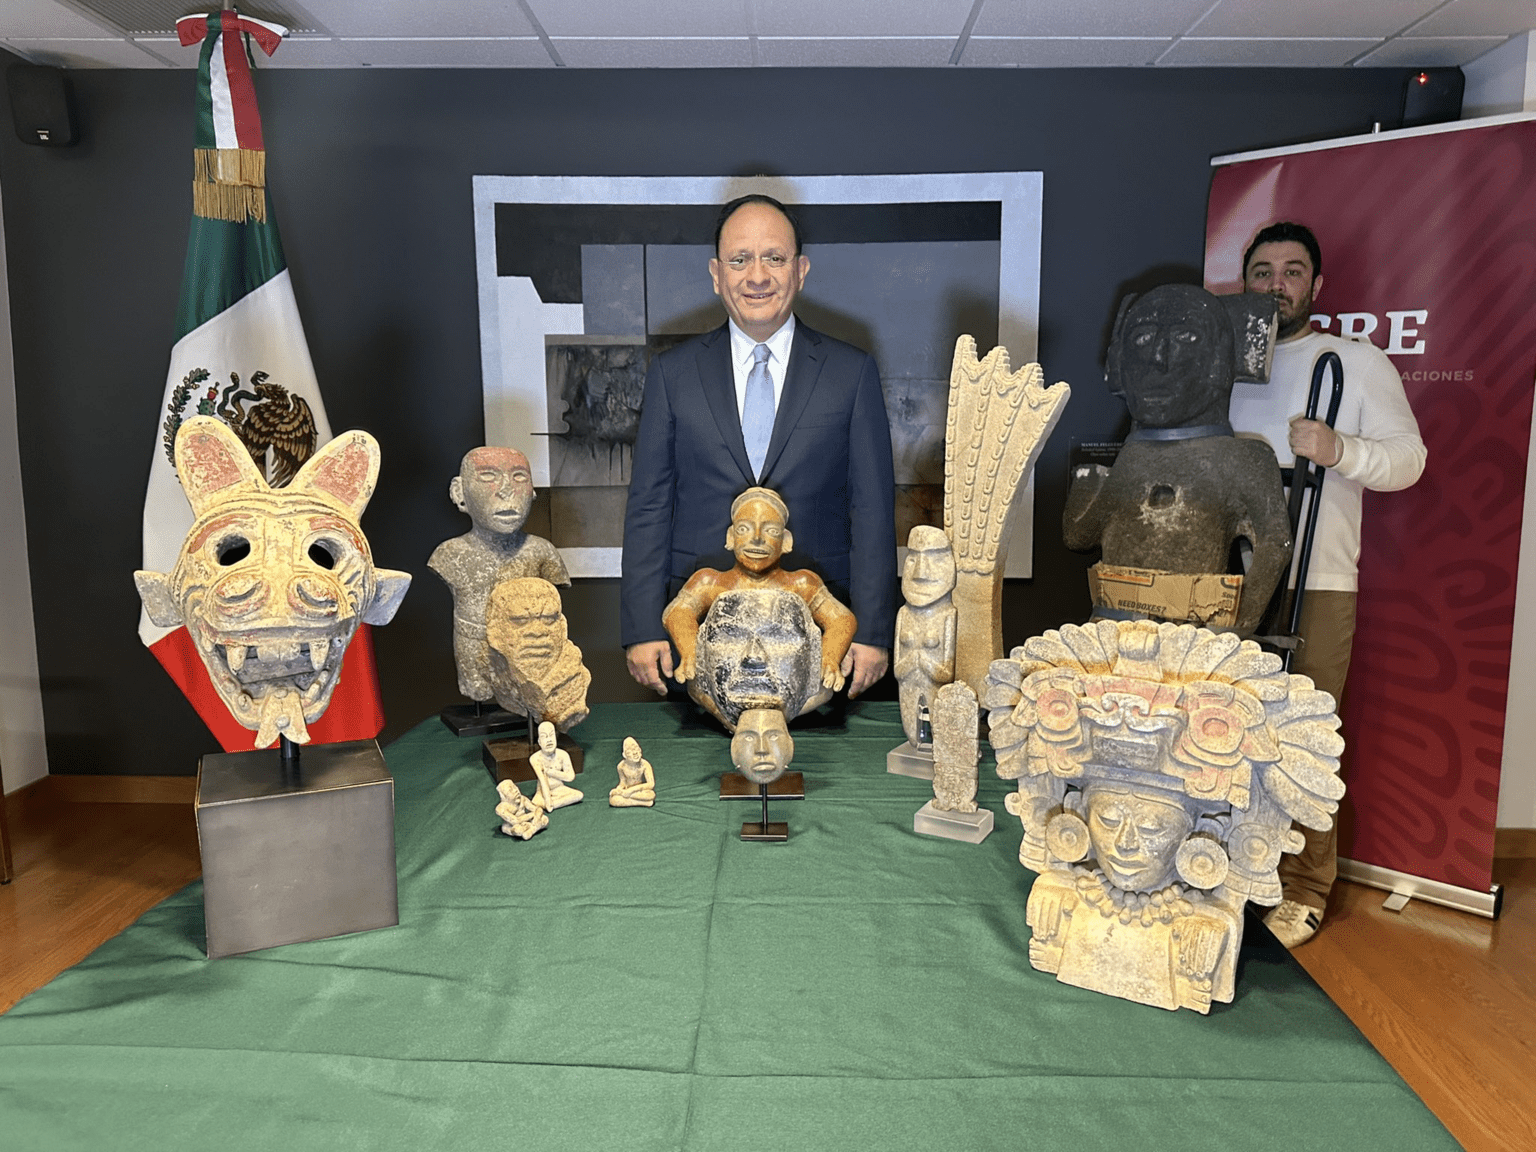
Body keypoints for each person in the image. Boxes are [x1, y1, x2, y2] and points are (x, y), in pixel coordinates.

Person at [1232, 221, 1427, 948]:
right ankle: (1234, 867)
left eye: (1292, 271)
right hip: (1229, 578)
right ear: (1244, 282)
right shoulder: (1223, 364)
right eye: (1262, 271)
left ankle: (1307, 885)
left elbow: (1409, 459)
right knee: (1225, 728)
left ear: (1316, 285)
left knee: (1305, 735)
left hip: (1317, 578)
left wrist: (1339, 448)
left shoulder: (1355, 363)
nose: (1276, 284)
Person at [620, 194, 897, 700]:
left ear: (801, 270)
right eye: (739, 259)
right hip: (699, 647)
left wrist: (873, 631)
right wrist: (642, 627)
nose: (757, 276)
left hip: (820, 648)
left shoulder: (851, 372)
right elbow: (648, 507)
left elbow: (873, 509)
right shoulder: (672, 374)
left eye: (774, 258)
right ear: (716, 274)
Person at [429, 446, 569, 703]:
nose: (506, 489)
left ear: (532, 491)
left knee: (529, 695)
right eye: (488, 476)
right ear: (459, 492)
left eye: (519, 477)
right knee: (478, 690)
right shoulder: (450, 555)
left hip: (530, 654)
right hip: (473, 654)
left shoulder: (541, 552)